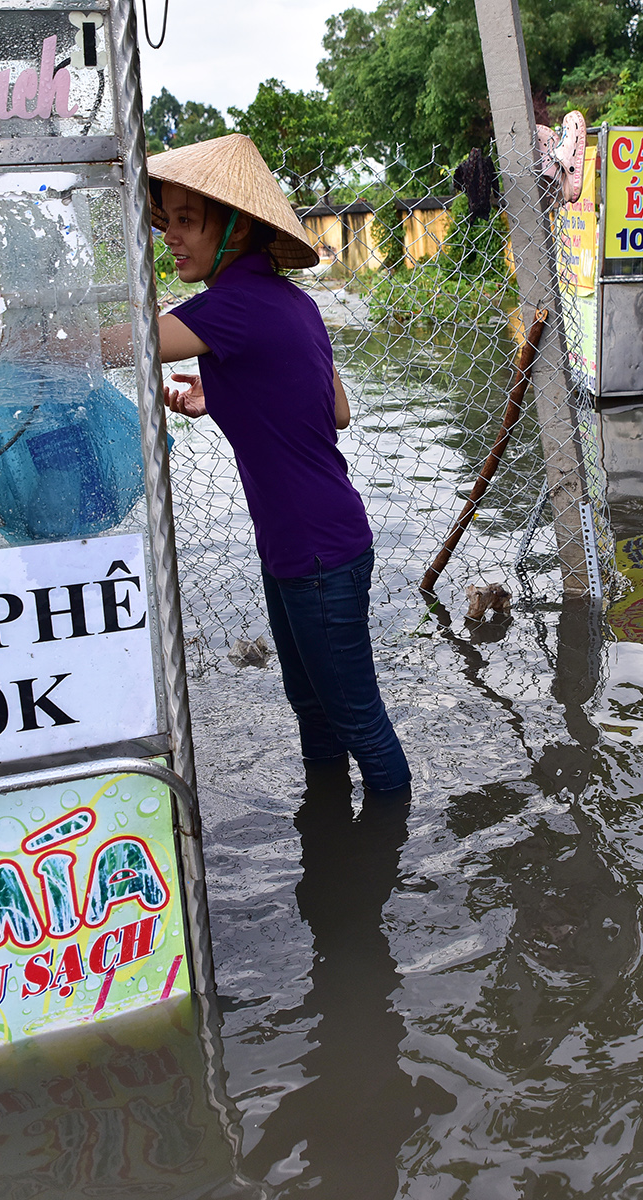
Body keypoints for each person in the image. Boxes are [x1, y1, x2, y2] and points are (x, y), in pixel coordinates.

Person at [133, 134, 411, 798]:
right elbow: (334, 410)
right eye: (166, 219)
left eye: (187, 220)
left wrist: (7, 329)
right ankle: (334, 852)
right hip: (313, 542)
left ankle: (388, 858)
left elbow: (124, 343)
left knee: (355, 720)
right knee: (313, 710)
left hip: (316, 552)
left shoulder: (232, 305)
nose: (170, 236)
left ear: (236, 228)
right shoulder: (295, 303)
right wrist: (228, 394)